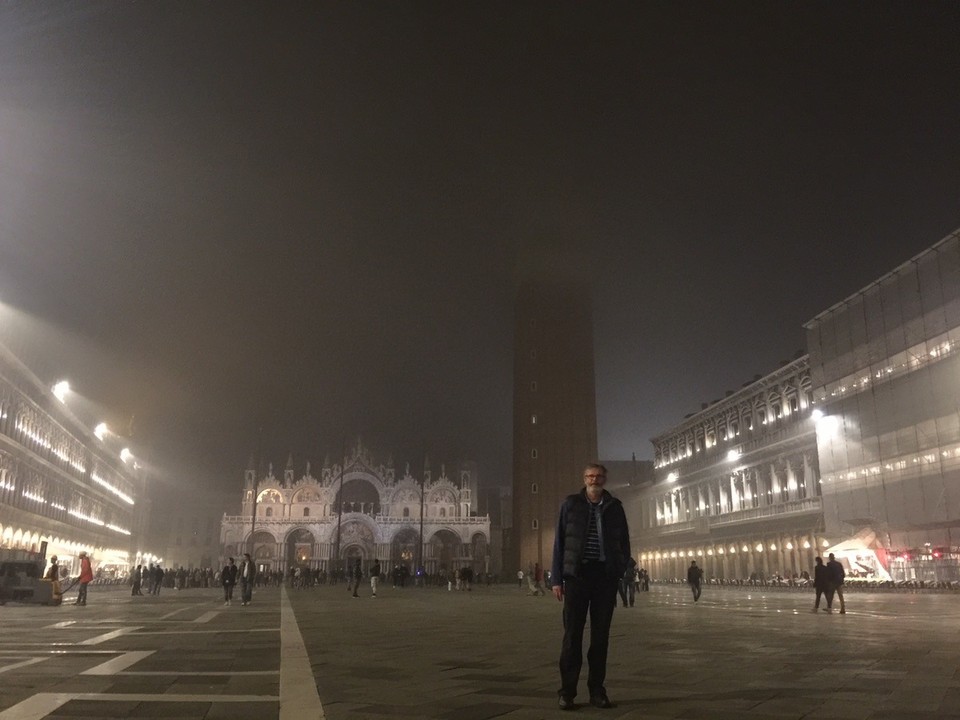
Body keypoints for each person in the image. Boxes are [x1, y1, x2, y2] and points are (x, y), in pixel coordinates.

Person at [552, 463, 631, 711]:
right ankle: (567, 692)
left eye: (598, 476)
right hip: (577, 577)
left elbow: (624, 543)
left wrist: (618, 570)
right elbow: (559, 543)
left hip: (604, 578)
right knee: (572, 636)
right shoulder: (570, 504)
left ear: (605, 479)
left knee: (600, 638)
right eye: (590, 476)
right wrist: (556, 579)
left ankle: (597, 691)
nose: (594, 480)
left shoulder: (615, 507)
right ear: (583, 478)